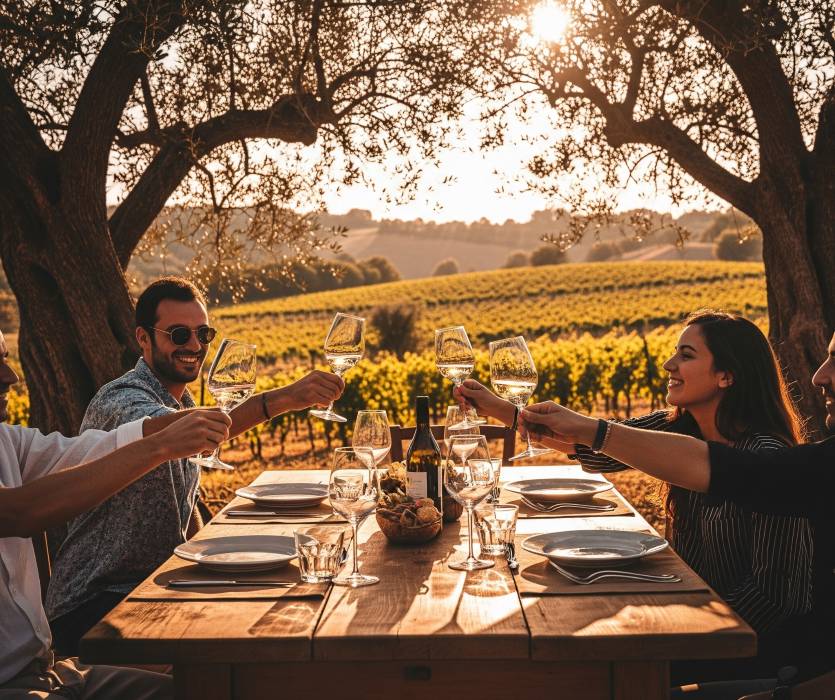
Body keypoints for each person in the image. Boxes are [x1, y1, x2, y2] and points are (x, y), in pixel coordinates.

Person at [457, 311, 815, 679]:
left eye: (687, 355)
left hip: (746, 655)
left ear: (727, 375)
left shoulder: (767, 460)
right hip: (694, 625)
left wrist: (678, 637)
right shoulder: (682, 427)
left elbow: (775, 599)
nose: (668, 364)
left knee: (576, 670)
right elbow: (596, 446)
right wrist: (498, 409)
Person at [46, 276, 344, 655]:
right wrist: (280, 398)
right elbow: (180, 431)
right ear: (143, 337)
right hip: (95, 606)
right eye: (178, 334)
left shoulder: (179, 402)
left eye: (203, 334)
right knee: (250, 649)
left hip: (158, 586)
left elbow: (195, 430)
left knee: (277, 614)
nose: (194, 346)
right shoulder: (121, 401)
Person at [0, 327, 231, 699]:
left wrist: (182, 426)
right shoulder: (123, 396)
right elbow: (18, 512)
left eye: (6, 360)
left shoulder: (6, 442)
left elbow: (97, 449)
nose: (10, 377)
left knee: (205, 691)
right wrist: (161, 446)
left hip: (48, 672)